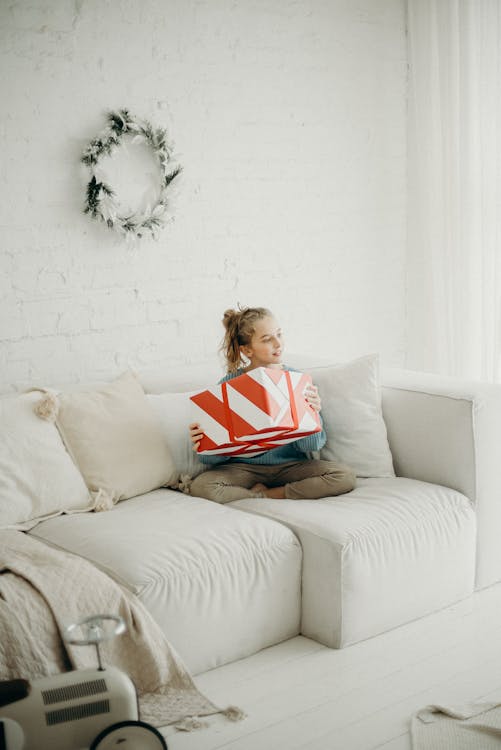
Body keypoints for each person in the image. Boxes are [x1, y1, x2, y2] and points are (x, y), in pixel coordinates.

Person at [189, 306, 356, 503]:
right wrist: (206, 442)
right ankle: (258, 494)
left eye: (279, 334)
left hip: (290, 466)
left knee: (344, 476)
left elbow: (311, 446)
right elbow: (210, 460)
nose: (278, 343)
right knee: (201, 486)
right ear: (247, 350)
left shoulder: (296, 379)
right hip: (243, 468)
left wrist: (312, 414)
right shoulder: (228, 385)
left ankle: (271, 494)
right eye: (267, 339)